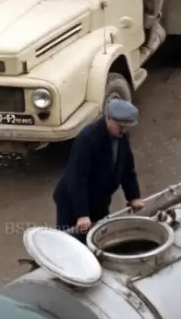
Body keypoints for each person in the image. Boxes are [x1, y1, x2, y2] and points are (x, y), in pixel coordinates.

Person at [53, 97, 145, 241]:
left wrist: (133, 196)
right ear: (109, 118)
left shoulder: (121, 136)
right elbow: (77, 178)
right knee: (71, 242)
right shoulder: (88, 139)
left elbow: (127, 168)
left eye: (127, 127)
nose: (124, 130)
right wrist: (82, 214)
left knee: (100, 236)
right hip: (73, 201)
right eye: (121, 126)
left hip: (99, 198)